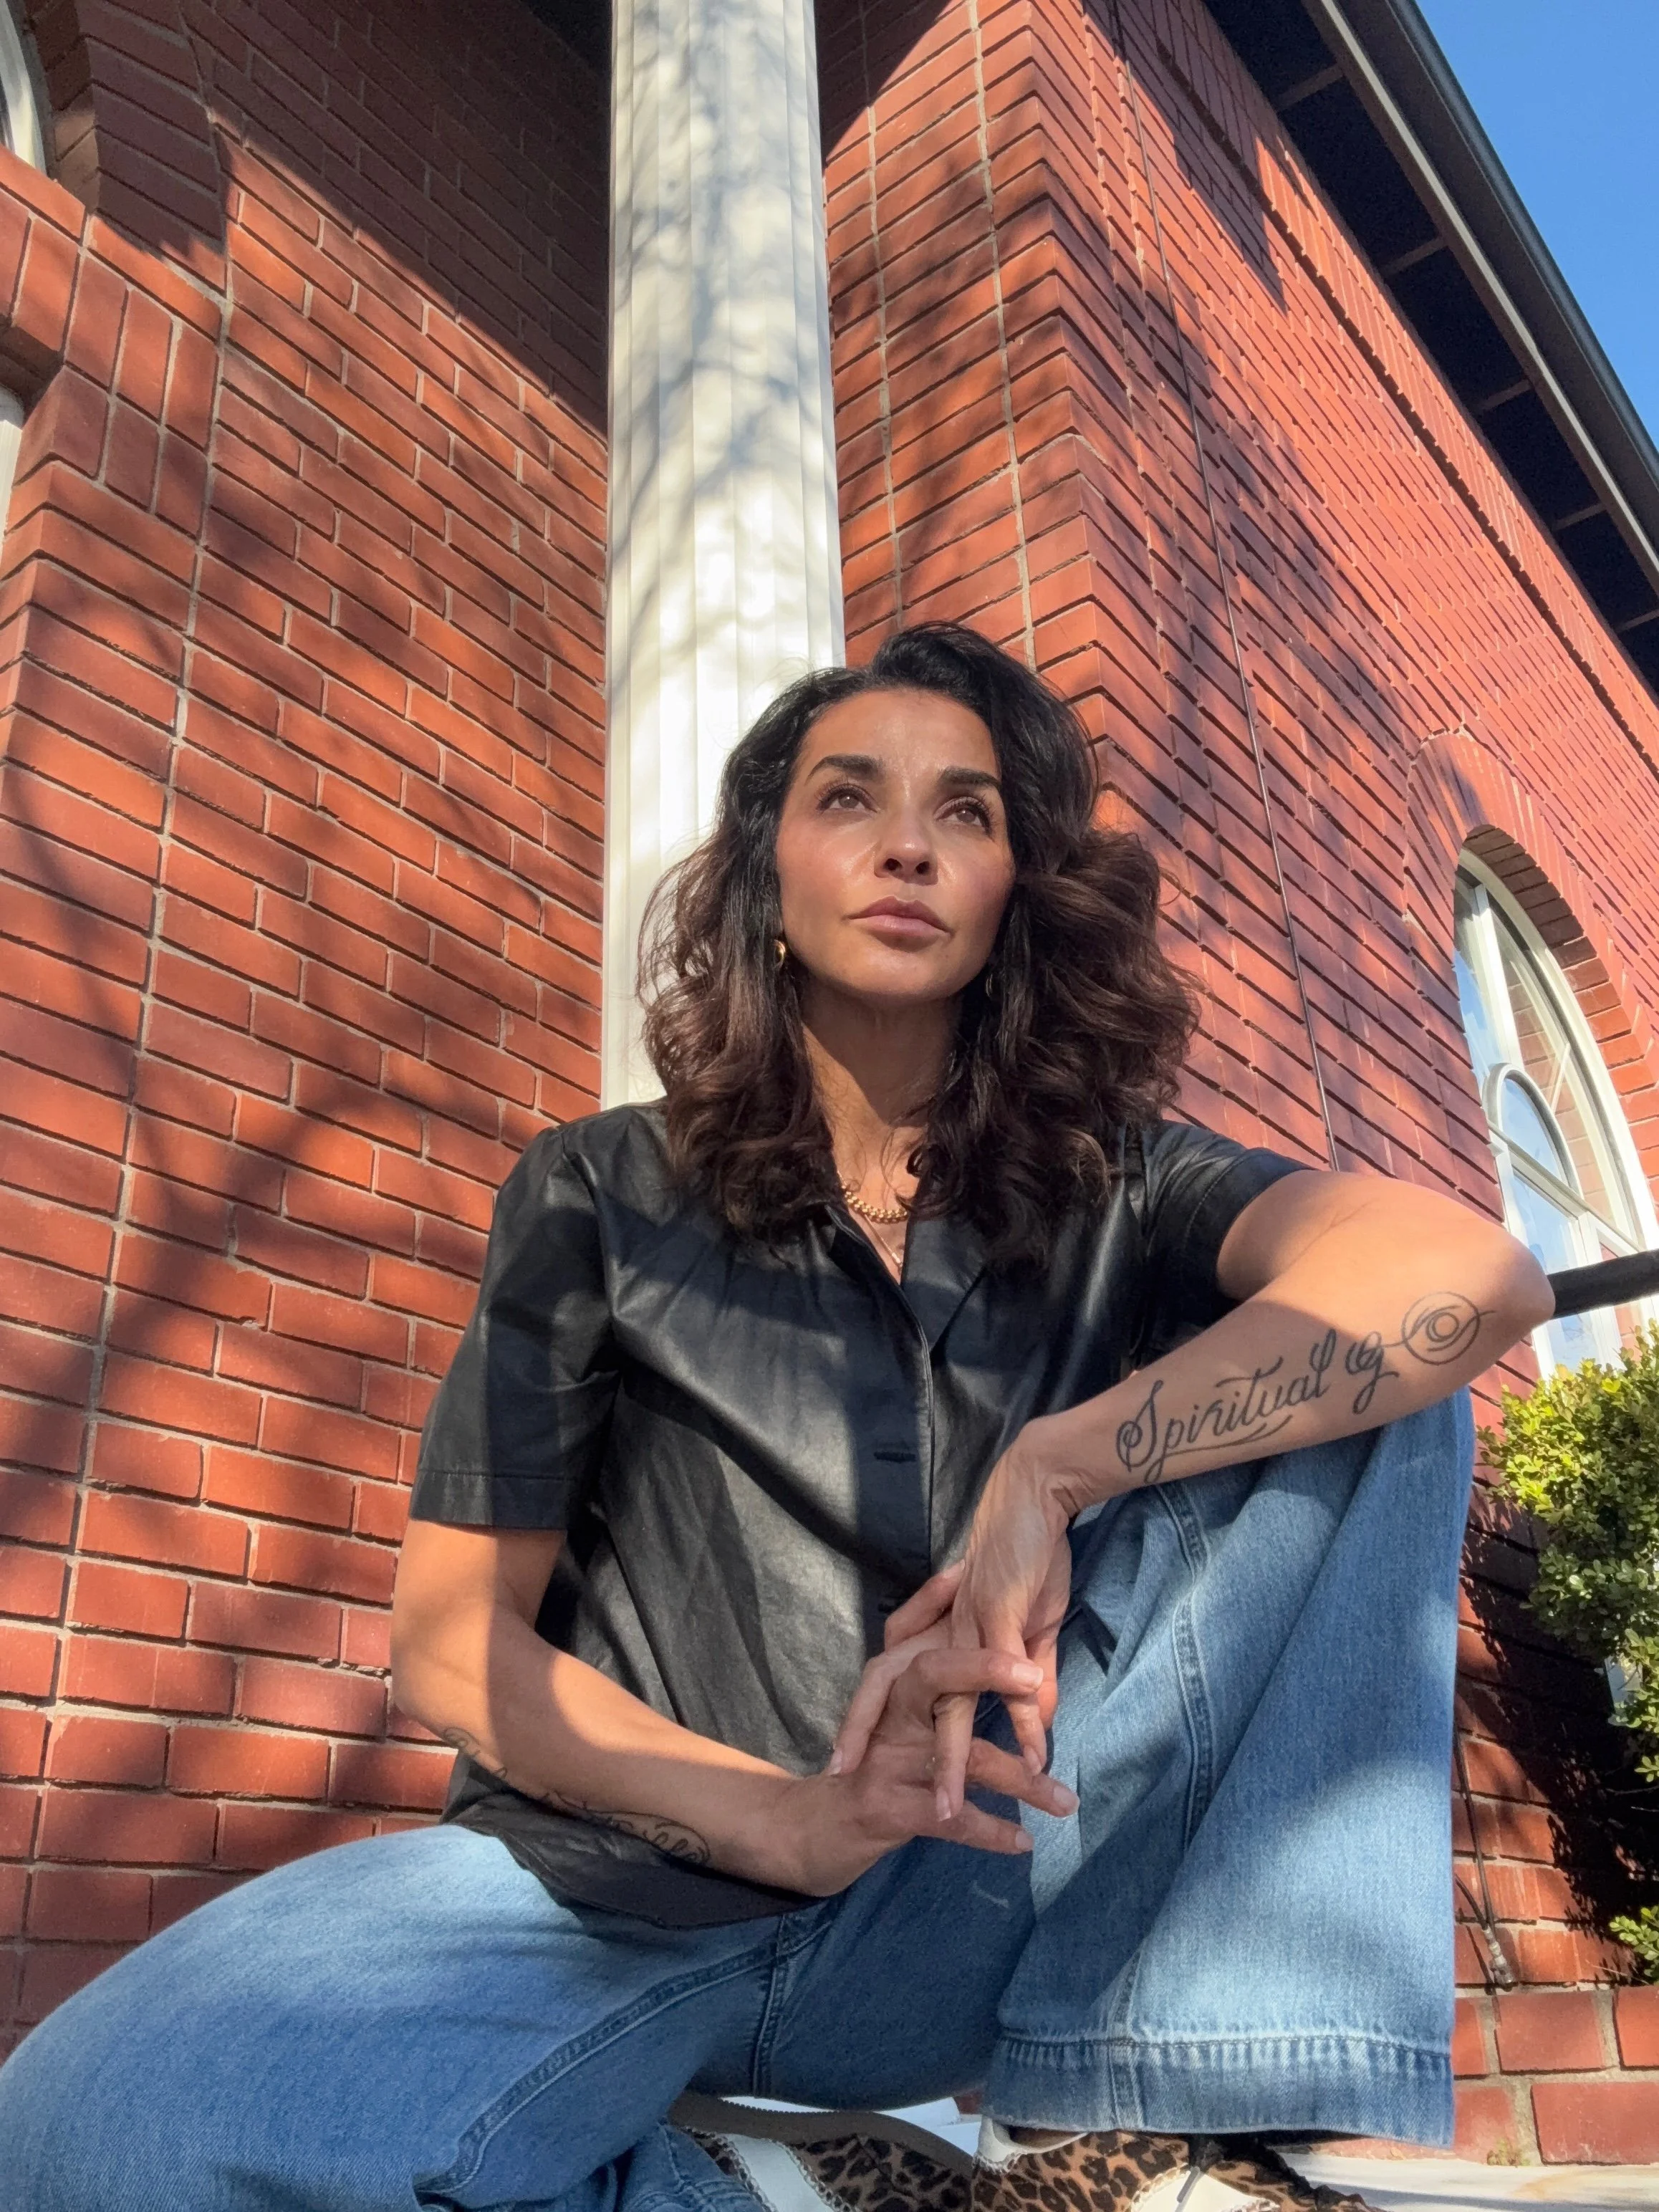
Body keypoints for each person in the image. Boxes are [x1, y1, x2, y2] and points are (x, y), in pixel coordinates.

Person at [0, 623, 1552, 2212]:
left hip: (994, 1891)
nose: (906, 844)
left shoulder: (1121, 1179)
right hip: (610, 1888)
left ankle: (1157, 2137)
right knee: (93, 2122)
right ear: (768, 873)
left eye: (968, 812)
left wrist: (1057, 1462)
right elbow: (455, 1641)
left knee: (1379, 1379)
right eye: (848, 798)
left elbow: (1468, 1273)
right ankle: (773, 2184)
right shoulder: (594, 1188)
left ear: (1020, 889)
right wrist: (790, 1816)